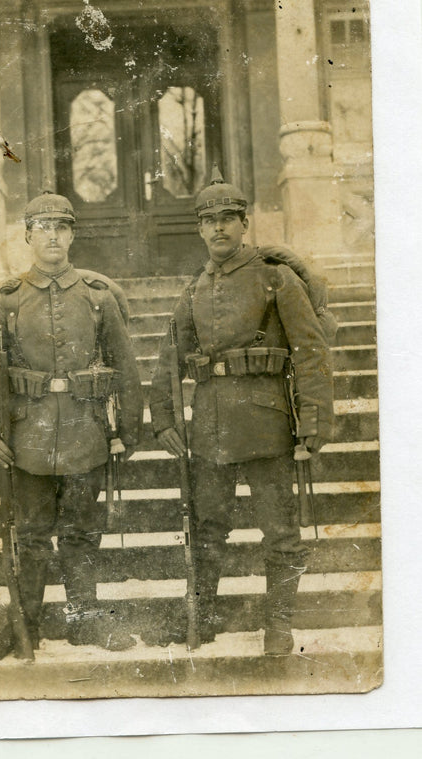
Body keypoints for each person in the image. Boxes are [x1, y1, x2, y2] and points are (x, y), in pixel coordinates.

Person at [149, 167, 334, 655]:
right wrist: (165, 418)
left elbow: (310, 350)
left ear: (244, 222)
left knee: (280, 531)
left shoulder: (275, 279)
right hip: (209, 426)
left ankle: (279, 628)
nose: (218, 228)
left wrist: (312, 420)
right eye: (208, 220)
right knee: (207, 526)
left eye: (227, 218)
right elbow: (169, 358)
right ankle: (203, 619)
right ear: (199, 228)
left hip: (268, 422)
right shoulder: (194, 291)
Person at [0, 192, 143, 661]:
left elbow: (126, 369)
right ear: (27, 236)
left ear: (73, 234)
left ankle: (85, 622)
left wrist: (127, 430)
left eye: (62, 226)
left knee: (81, 534)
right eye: (43, 227)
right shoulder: (7, 301)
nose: (54, 235)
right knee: (33, 536)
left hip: (87, 434)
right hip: (28, 441)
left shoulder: (99, 297)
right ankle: (24, 628)